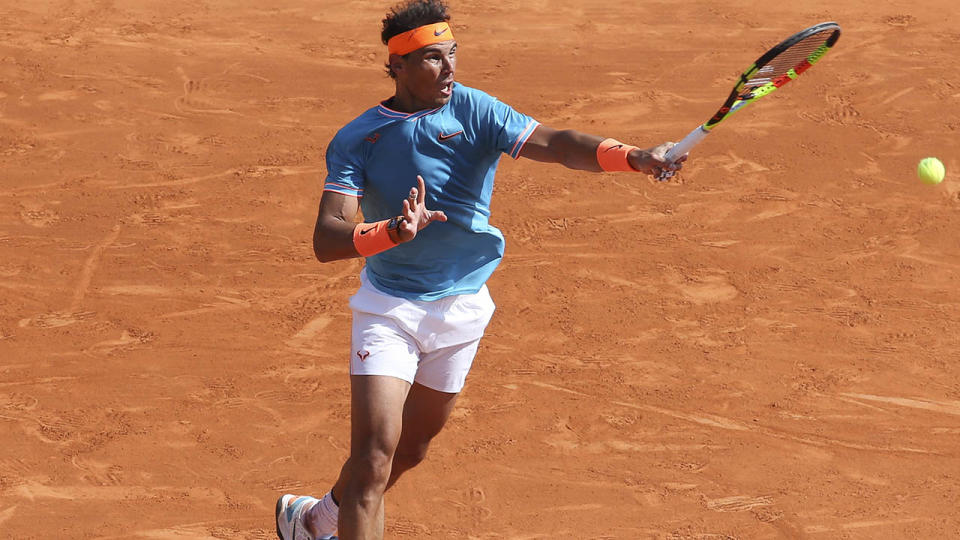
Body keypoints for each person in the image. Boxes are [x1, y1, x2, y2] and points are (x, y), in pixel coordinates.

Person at [275, 1, 684, 539]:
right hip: (389, 308)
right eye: (431, 59)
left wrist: (632, 156)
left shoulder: (474, 110)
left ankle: (313, 520)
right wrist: (392, 233)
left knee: (410, 451)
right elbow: (328, 240)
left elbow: (557, 145)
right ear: (395, 67)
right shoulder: (358, 138)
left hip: (463, 307)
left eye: (452, 55)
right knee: (373, 458)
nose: (448, 69)